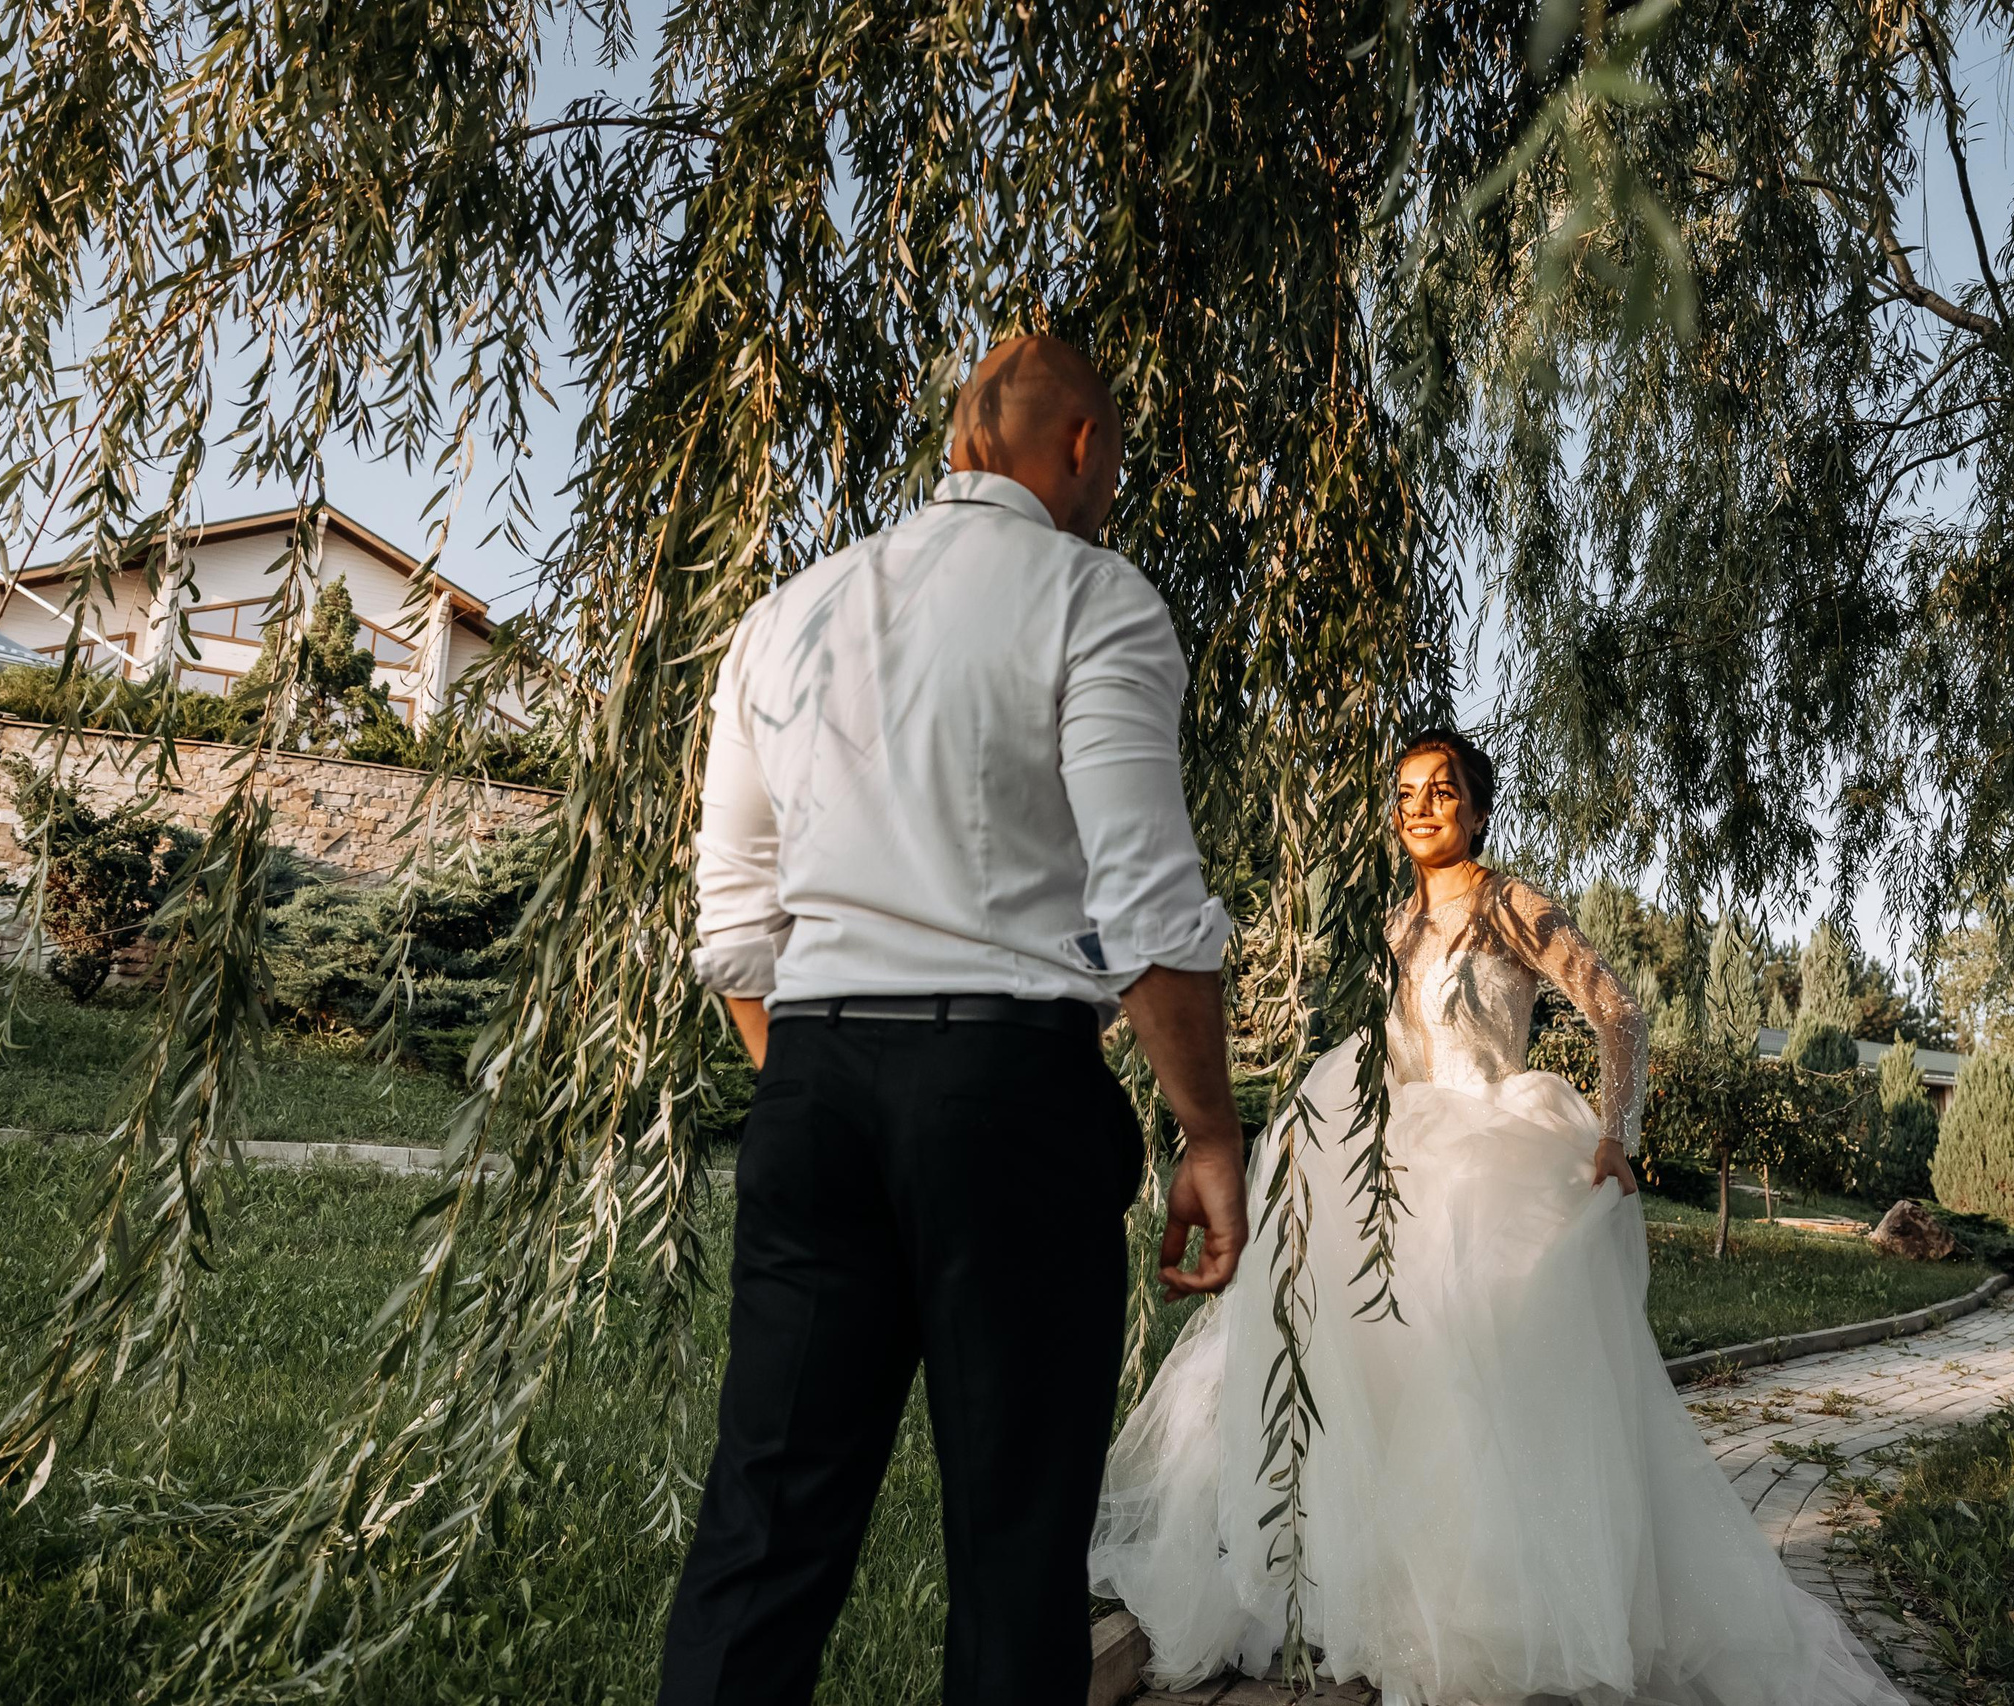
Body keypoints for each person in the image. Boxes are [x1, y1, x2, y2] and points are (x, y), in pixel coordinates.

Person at [663, 333, 1250, 1706]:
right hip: (1006, 1096)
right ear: (1085, 447)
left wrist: (831, 1072)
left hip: (807, 1087)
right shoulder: (1092, 599)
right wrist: (1208, 1130)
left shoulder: (785, 614)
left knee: (764, 1528)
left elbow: (734, 925)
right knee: (1013, 1543)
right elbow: (1152, 905)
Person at [1091, 729, 1904, 1706]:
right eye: (1404, 793)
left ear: (1476, 806)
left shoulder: (1512, 901)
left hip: (1494, 1144)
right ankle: (1385, 1590)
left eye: (1442, 789)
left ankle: (1493, 1604)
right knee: (1383, 1359)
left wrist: (1616, 1129)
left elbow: (1618, 1008)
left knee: (1482, 1364)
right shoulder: (1393, 924)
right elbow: (1396, 1047)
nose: (1421, 806)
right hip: (1406, 1150)